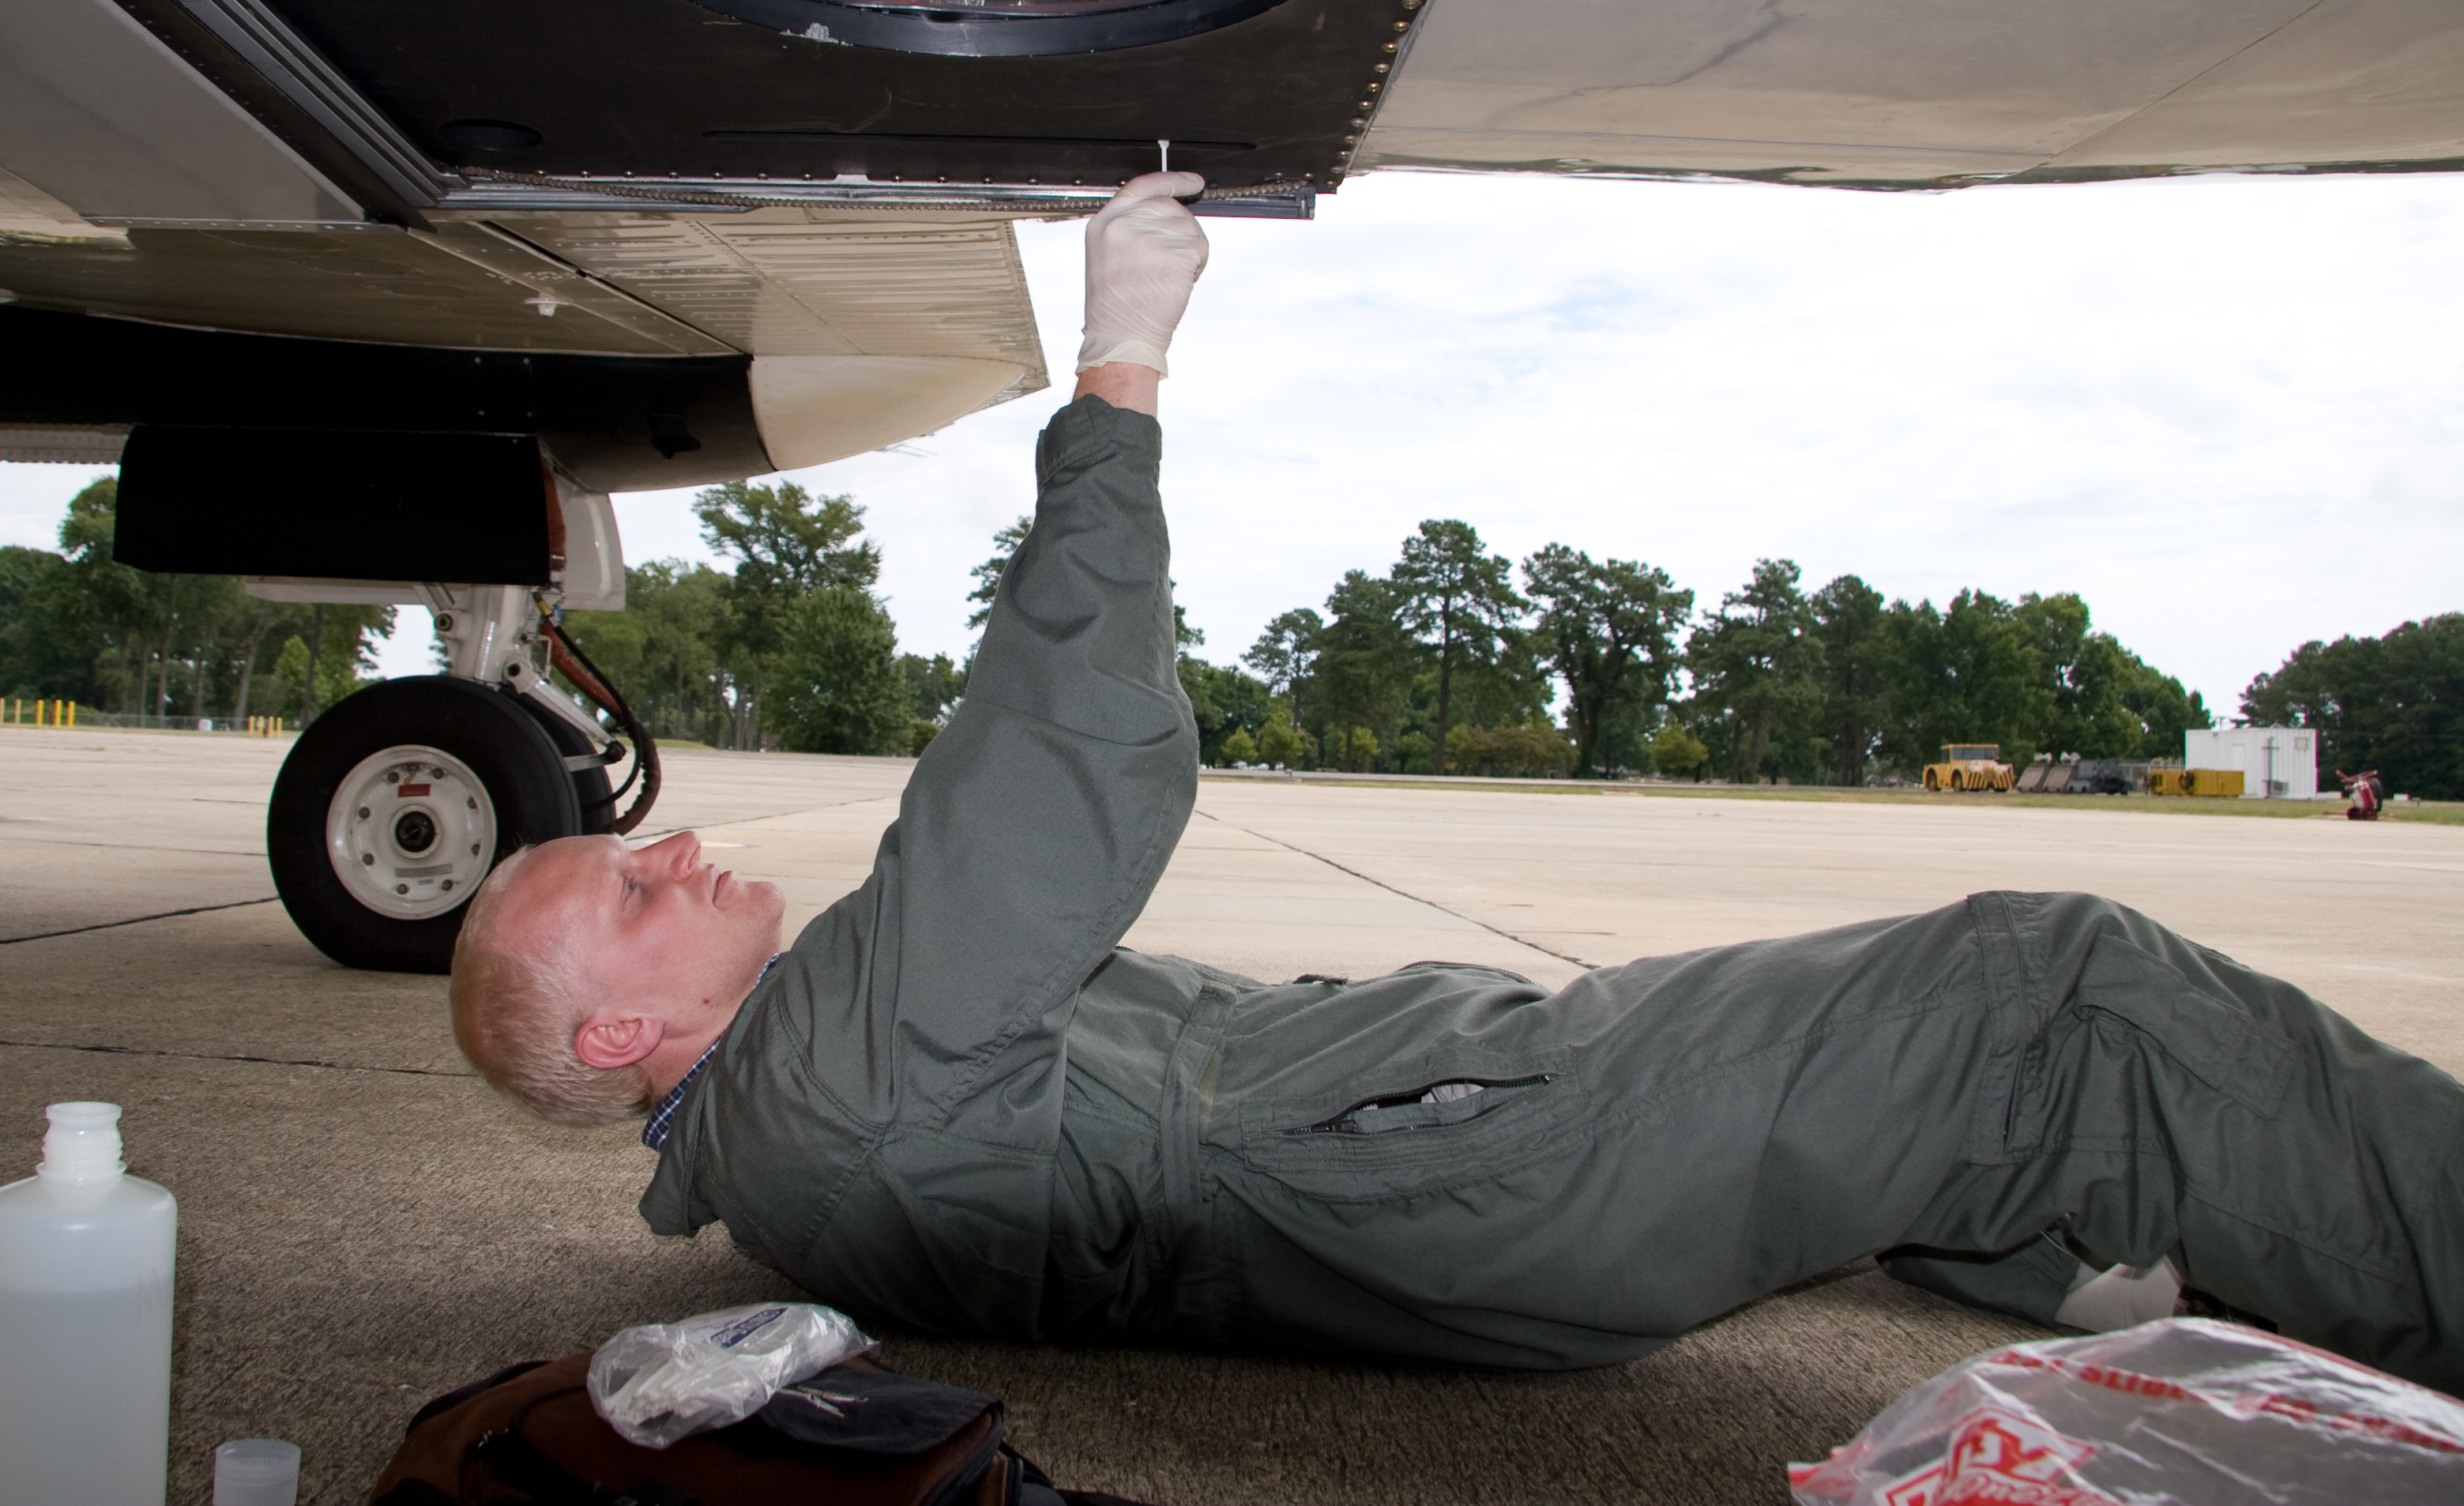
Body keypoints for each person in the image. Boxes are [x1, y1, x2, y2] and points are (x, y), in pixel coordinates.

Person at [451, 173, 2462, 1395]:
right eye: (629, 886)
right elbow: (1052, 768)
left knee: (1937, 1081)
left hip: (1444, 1172)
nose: (674, 845)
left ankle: (2093, 1230)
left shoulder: (776, 1144)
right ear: (627, 1031)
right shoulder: (827, 1070)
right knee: (2052, 990)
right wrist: (1118, 381)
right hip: (1488, 1161)